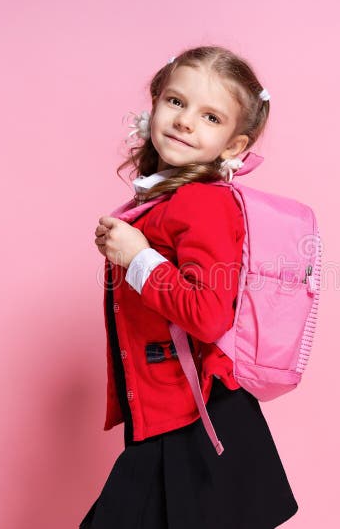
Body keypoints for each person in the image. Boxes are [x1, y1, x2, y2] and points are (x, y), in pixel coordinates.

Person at [84, 45, 299, 528]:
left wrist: (137, 257)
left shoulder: (203, 203)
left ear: (234, 146)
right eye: (176, 102)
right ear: (155, 103)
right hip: (172, 418)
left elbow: (207, 314)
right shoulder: (168, 198)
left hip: (192, 421)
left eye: (210, 116)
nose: (185, 121)